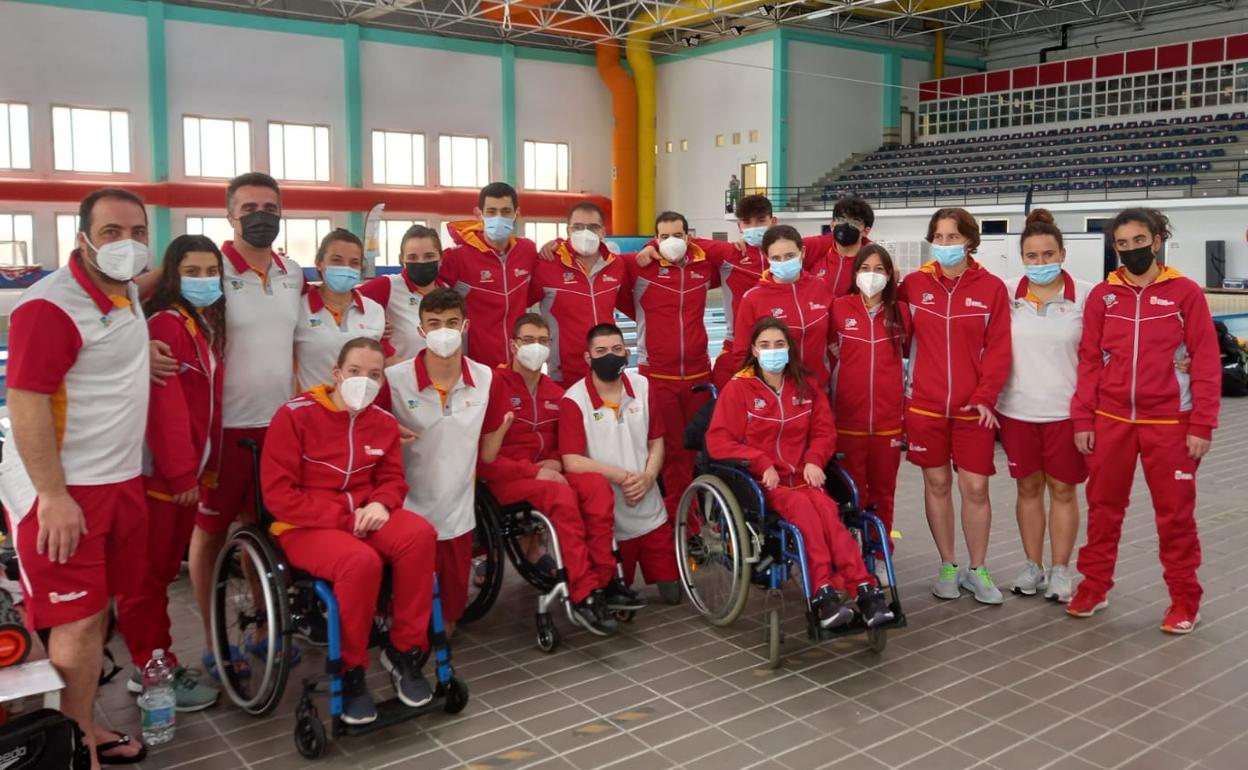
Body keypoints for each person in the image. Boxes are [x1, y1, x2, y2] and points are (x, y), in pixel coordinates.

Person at [4, 188, 153, 766]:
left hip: (119, 478)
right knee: (76, 620)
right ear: (83, 239)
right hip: (63, 488)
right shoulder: (50, 306)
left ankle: (81, 728)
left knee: (97, 613)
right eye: (112, 232)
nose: (126, 244)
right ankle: (71, 752)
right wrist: (52, 495)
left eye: (137, 232)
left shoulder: (125, 291)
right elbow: (26, 403)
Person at [262, 338, 439, 725]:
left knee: (420, 535)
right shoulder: (294, 416)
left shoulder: (383, 422)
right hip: (305, 524)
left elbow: (392, 478)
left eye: (374, 375)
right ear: (336, 374)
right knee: (360, 562)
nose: (364, 381)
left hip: (366, 513)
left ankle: (405, 650)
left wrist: (383, 503)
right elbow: (279, 497)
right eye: (355, 372)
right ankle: (351, 669)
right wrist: (345, 517)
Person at [1069, 207, 1220, 634]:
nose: (1131, 249)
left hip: (1170, 423)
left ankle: (1184, 600)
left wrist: (1202, 424)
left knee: (1175, 517)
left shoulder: (1185, 293)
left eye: (1139, 241)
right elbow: (1089, 360)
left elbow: (1206, 359)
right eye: (1122, 243)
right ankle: (1094, 587)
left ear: (1156, 241)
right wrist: (1083, 419)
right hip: (1110, 418)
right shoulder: (1103, 296)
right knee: (1103, 509)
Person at [705, 318, 894, 629]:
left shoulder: (805, 385)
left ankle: (864, 588)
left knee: (829, 514)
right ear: (754, 350)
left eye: (779, 344)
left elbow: (824, 431)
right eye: (765, 345)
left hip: (804, 478)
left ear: (789, 349)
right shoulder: (738, 388)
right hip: (765, 483)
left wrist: (815, 460)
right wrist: (760, 461)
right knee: (805, 512)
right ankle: (822, 592)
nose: (772, 351)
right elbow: (718, 441)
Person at [189, 172, 305, 657]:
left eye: (270, 208)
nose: (261, 216)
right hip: (225, 428)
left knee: (269, 531)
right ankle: (215, 642)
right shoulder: (208, 270)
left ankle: (265, 629)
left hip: (279, 427)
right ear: (230, 215)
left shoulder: (292, 272)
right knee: (212, 533)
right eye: (250, 208)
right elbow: (156, 308)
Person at [479, 313, 646, 635]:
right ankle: (583, 592)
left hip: (550, 474)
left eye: (543, 341)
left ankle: (605, 580)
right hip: (506, 480)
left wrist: (554, 463)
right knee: (561, 495)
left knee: (596, 486)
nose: (536, 347)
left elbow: (565, 447)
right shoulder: (494, 387)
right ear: (513, 345)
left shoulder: (556, 393)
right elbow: (484, 460)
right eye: (528, 340)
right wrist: (532, 472)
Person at [115, 235, 224, 712]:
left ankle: (154, 662)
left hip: (183, 473)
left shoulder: (195, 324)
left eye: (211, 271)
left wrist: (202, 469)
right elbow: (166, 407)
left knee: (156, 575)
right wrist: (180, 475)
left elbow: (205, 406)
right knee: (146, 579)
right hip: (161, 480)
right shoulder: (166, 324)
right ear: (173, 276)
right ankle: (152, 669)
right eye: (192, 272)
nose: (204, 280)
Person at [382, 288, 510, 636]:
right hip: (407, 511)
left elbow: (488, 455)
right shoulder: (393, 381)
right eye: (434, 323)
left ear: (465, 326)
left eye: (452, 323)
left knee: (449, 620)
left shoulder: (487, 380)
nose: (444, 331)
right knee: (409, 613)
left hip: (457, 514)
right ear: (421, 330)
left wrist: (502, 429)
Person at [899, 207, 1011, 605]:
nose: (945, 244)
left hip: (972, 408)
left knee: (976, 488)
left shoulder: (991, 288)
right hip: (925, 405)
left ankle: (977, 568)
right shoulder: (913, 285)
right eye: (939, 237)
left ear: (969, 241)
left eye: (953, 236)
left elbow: (999, 348)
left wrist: (985, 396)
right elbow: (897, 337)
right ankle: (948, 565)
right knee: (937, 484)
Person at [997, 210, 1093, 603]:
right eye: (1032, 256)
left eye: (1048, 254)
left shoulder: (1087, 295)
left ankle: (1061, 569)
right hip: (1017, 410)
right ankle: (1032, 565)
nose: (1040, 262)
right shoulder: (1005, 293)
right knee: (1028, 487)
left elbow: (1103, 353)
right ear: (1022, 257)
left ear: (1063, 254)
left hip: (1066, 413)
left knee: (1063, 490)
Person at [559, 324, 681, 604]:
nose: (610, 356)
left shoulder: (642, 386)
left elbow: (656, 441)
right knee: (619, 602)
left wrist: (648, 477)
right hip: (610, 521)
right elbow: (572, 461)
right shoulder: (573, 400)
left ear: (627, 352)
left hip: (650, 511)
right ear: (588, 357)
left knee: (672, 595)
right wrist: (623, 477)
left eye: (616, 349)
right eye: (601, 351)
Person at [620, 211, 718, 527]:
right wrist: (644, 251)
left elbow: (729, 252)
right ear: (655, 238)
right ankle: (682, 523)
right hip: (658, 375)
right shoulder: (639, 267)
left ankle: (705, 513)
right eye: (663, 237)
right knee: (672, 452)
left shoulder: (703, 265)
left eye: (678, 235)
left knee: (703, 449)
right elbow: (602, 259)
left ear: (689, 236)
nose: (671, 241)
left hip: (699, 373)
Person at [830, 243, 909, 586]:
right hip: (848, 421)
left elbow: (912, 360)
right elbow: (828, 356)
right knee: (849, 495)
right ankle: (847, 557)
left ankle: (879, 555)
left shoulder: (901, 313)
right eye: (865, 268)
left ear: (890, 275)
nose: (871, 275)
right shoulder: (838, 309)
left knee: (882, 494)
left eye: (879, 269)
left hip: (888, 423)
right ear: (855, 273)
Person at [528, 202, 630, 384]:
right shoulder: (546, 265)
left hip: (608, 367)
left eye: (593, 227)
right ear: (568, 231)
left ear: (603, 232)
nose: (585, 232)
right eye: (578, 227)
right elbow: (516, 305)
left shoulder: (617, 265)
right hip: (564, 372)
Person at [440, 182, 539, 368]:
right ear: (479, 214)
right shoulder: (456, 258)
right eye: (492, 211)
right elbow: (421, 285)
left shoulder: (527, 250)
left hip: (519, 364)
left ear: (516, 213)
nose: (498, 217)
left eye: (506, 211)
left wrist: (554, 246)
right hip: (476, 365)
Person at [730, 225, 834, 388]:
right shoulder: (753, 299)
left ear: (802, 252)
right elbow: (742, 354)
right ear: (768, 258)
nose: (784, 262)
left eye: (790, 256)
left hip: (818, 388)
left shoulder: (820, 287)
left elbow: (834, 337)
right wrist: (762, 391)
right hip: (777, 393)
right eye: (776, 258)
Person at [295, 228, 389, 389]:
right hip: (313, 403)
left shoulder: (374, 311)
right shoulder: (298, 309)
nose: (346, 268)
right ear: (319, 263)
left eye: (354, 263)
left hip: (362, 402)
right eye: (336, 260)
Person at [358, 224, 446, 361]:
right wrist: (374, 326)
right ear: (402, 260)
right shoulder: (388, 285)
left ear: (441, 258)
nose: (421, 262)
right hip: (399, 372)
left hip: (441, 372)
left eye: (429, 256)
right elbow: (347, 301)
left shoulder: (448, 293)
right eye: (412, 257)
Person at [804, 195, 875, 298]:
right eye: (841, 219)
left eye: (855, 222)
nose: (846, 225)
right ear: (832, 224)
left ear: (866, 231)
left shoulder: (869, 265)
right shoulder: (816, 250)